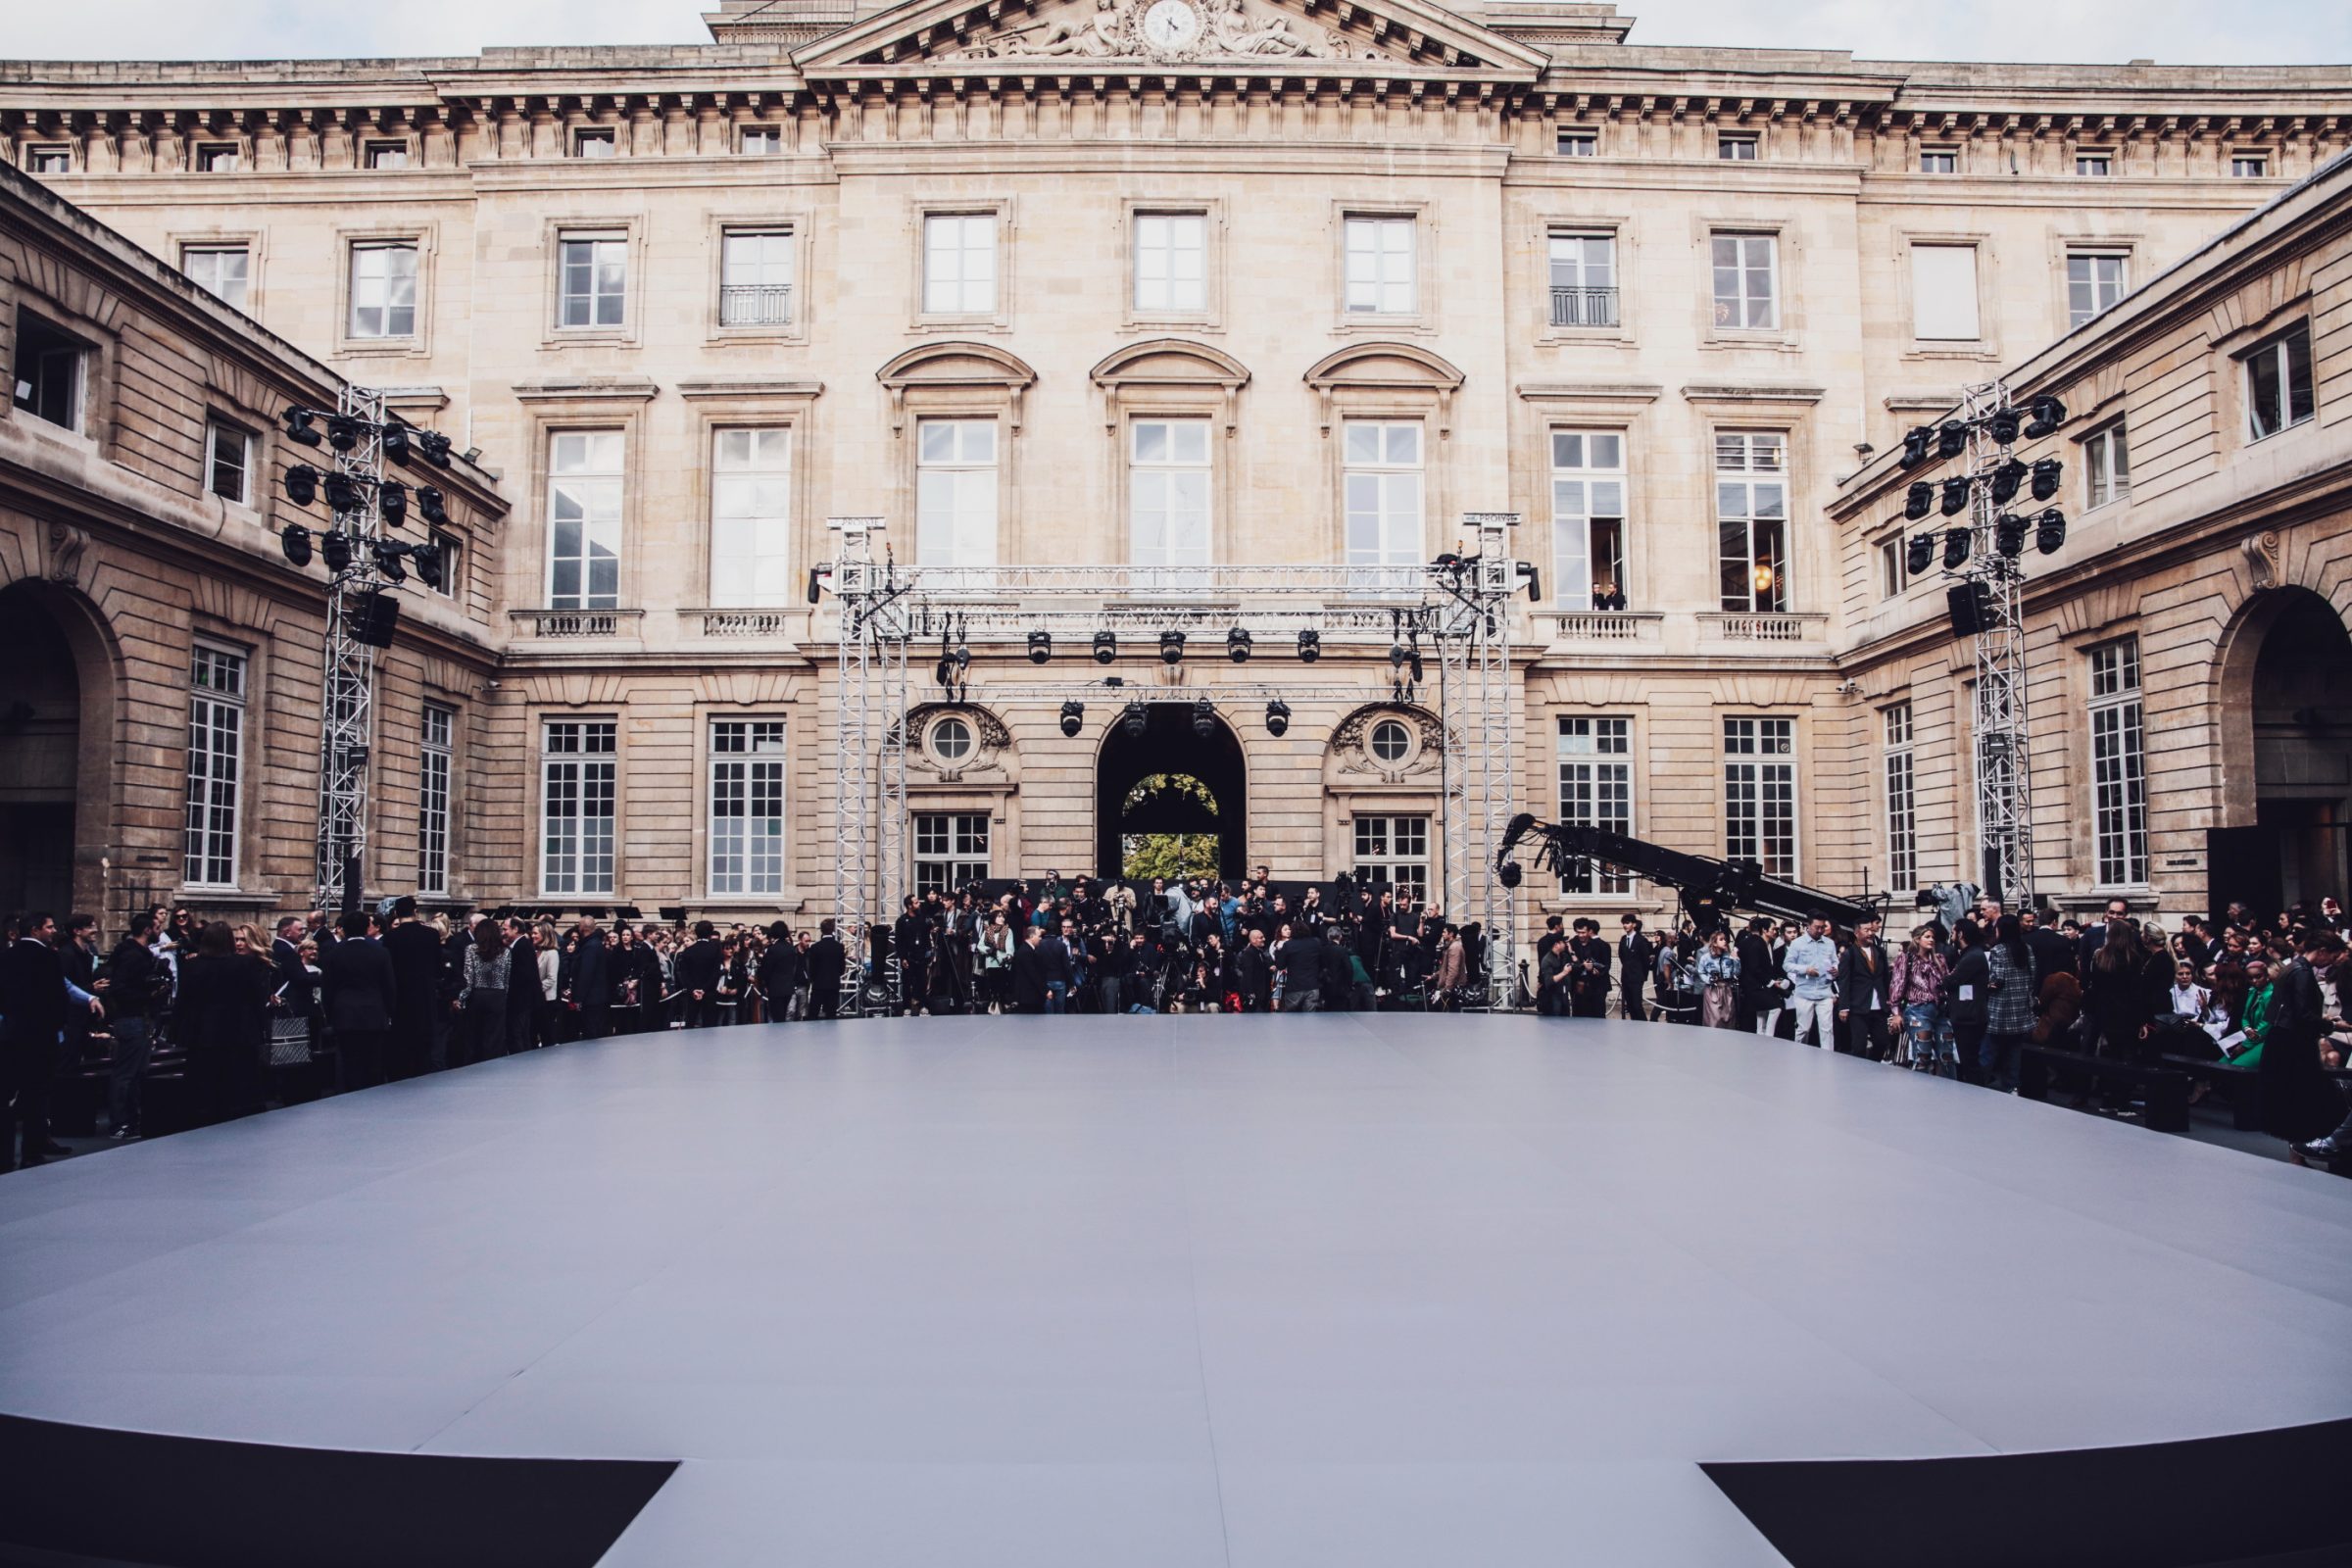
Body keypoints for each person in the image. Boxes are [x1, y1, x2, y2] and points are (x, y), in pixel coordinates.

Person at [1, 912, 105, 1168]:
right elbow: (61, 991)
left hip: (12, 1034)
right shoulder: (48, 957)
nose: (53, 930)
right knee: (36, 1094)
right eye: (49, 927)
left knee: (7, 1096)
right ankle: (31, 1151)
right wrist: (63, 1023)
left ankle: (3, 1156)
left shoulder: (6, 956)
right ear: (36, 931)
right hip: (40, 1035)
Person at [173, 920, 273, 1125]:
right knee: (239, 1079)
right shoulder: (244, 965)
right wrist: (263, 1029)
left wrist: (176, 1032)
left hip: (202, 1032)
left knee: (204, 1080)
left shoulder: (192, 966)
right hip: (239, 1030)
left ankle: (203, 1115)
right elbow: (256, 998)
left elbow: (182, 1001)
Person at [2265, 929, 2348, 1158]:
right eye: (2331, 957)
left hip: (2284, 1038)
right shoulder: (2302, 972)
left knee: (2295, 1098)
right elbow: (2303, 1015)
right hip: (2294, 1042)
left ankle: (2297, 1153)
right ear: (2322, 951)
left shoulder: (2292, 967)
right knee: (2301, 1098)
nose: (2330, 963)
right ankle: (2299, 1153)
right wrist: (2331, 1026)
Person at [103, 908, 169, 1139]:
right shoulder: (133, 956)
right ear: (147, 930)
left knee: (136, 1072)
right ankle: (120, 1122)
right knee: (126, 1073)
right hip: (132, 1017)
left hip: (139, 1017)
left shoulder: (136, 953)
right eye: (157, 928)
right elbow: (119, 989)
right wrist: (149, 995)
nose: (160, 931)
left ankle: (130, 1119)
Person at [318, 909, 396, 1089]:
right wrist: (389, 1012)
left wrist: (330, 1015)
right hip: (374, 1012)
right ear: (365, 927)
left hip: (344, 1012)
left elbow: (327, 989)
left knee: (349, 1061)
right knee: (373, 1061)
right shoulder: (380, 952)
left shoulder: (333, 954)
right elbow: (389, 986)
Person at [380, 897, 445, 1078]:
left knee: (402, 1044)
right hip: (425, 995)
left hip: (401, 997)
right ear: (415, 912)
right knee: (424, 1045)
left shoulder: (390, 937)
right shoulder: (431, 935)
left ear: (396, 914)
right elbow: (439, 969)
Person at [1981, 914, 2037, 1093]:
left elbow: (1997, 979)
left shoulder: (1999, 950)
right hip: (2020, 1008)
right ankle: (2011, 1087)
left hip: (2000, 1008)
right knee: (2014, 1053)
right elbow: (2033, 974)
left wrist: (1985, 984)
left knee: (1988, 1052)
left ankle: (1980, 1084)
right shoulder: (2026, 948)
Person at [1889, 924, 1951, 1074]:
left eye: (1933, 937)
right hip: (1918, 1010)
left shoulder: (1939, 959)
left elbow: (1947, 981)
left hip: (1940, 1009)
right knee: (1923, 1055)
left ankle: (1951, 1089)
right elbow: (1897, 984)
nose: (1931, 940)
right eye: (1927, 937)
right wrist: (1896, 1012)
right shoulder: (1906, 958)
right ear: (1917, 939)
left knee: (1947, 1056)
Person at [1835, 915, 1892, 1060]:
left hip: (1879, 1006)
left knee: (1882, 1042)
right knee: (1859, 1045)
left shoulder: (1880, 952)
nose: (1870, 933)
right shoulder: (1849, 954)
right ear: (1857, 933)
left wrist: (1890, 1002)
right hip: (1858, 1007)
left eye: (1871, 930)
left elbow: (1886, 978)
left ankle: (1873, 1065)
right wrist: (1844, 1007)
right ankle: (1858, 1072)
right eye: (1866, 930)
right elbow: (1844, 981)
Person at [458, 918, 514, 1065]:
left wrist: (462, 999)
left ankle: (472, 1066)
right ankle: (493, 1065)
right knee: (495, 1037)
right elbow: (506, 977)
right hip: (497, 995)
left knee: (474, 1036)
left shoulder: (471, 949)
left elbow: (468, 977)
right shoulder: (506, 952)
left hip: (477, 995)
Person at [1943, 917, 1989, 1086]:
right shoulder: (1970, 954)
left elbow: (1950, 981)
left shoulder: (1972, 956)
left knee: (1969, 1059)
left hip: (1969, 1015)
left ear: (1961, 934)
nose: (1952, 936)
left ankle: (1976, 1093)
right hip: (1969, 1013)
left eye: (1954, 932)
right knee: (1968, 1059)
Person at [1783, 916, 1838, 1049]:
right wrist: (1805, 970)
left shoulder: (1830, 943)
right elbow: (1787, 965)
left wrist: (1836, 969)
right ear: (1809, 926)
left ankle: (1828, 1060)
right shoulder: (1797, 943)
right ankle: (1799, 1055)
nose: (1820, 930)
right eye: (1817, 927)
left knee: (1827, 1030)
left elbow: (1835, 961)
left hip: (1825, 992)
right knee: (1803, 1029)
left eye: (1822, 927)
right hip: (1804, 993)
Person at [560, 916, 612, 1039]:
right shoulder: (595, 944)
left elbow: (586, 974)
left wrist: (579, 998)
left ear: (582, 928)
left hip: (591, 999)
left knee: (591, 1033)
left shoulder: (590, 946)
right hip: (596, 997)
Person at [674, 920, 724, 1029]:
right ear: (710, 933)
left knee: (691, 1021)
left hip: (693, 992)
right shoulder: (715, 949)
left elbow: (684, 973)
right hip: (709, 991)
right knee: (709, 1024)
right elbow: (716, 972)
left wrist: (693, 989)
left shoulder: (688, 950)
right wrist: (704, 989)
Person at [1278, 920, 1327, 1012]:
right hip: (1312, 985)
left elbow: (1280, 965)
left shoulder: (1288, 945)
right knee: (1310, 1018)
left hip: (1294, 987)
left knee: (1291, 1017)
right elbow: (1323, 962)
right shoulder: (1316, 942)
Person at [1695, 928, 1740, 1028]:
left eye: (1725, 939)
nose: (1725, 941)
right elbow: (1700, 972)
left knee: (1729, 1017)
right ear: (1714, 943)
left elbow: (1737, 973)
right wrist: (1709, 980)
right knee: (1713, 1020)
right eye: (1721, 939)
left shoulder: (1729, 956)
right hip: (1712, 991)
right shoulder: (1705, 957)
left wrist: (1736, 960)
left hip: (1727, 990)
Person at [806, 919, 846, 1019]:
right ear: (833, 929)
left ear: (821, 930)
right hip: (833, 984)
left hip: (818, 984)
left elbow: (812, 968)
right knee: (831, 1015)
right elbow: (842, 968)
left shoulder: (815, 947)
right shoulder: (839, 947)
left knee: (813, 1014)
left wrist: (813, 979)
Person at [1618, 914, 1655, 1021]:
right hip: (1626, 976)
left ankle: (1643, 1025)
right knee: (1629, 1005)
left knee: (1636, 1005)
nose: (1625, 925)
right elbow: (1622, 956)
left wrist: (1642, 975)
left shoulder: (1641, 940)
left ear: (1634, 924)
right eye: (1624, 923)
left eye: (1628, 923)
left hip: (1637, 977)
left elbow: (1645, 960)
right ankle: (1634, 1025)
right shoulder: (1623, 939)